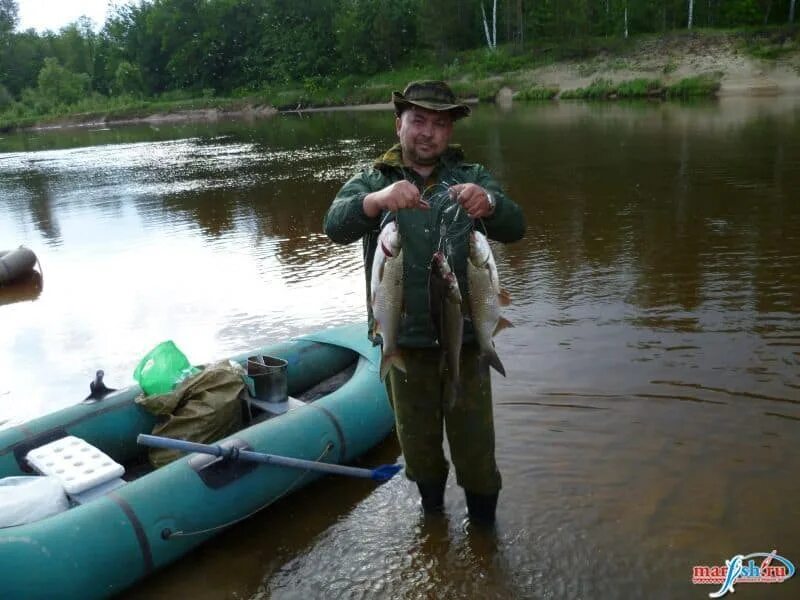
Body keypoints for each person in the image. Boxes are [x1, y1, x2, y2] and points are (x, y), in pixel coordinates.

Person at [323, 80, 525, 523]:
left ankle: (483, 538)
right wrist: (375, 202)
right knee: (419, 451)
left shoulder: (469, 176)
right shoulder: (373, 179)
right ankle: (433, 520)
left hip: (467, 343)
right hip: (404, 346)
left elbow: (516, 226)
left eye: (439, 123)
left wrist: (489, 202)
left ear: (449, 132)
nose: (427, 132)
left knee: (477, 452)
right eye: (418, 120)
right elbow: (335, 226)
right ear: (399, 125)